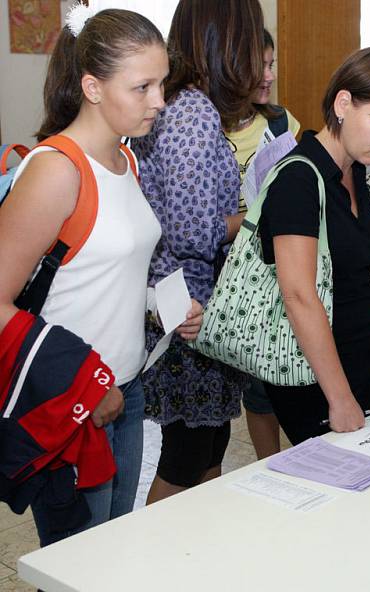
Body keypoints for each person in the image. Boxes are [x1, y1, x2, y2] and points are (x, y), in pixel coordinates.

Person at [0, 7, 200, 545]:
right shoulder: (55, 170)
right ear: (92, 87)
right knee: (76, 562)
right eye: (142, 87)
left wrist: (163, 303)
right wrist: (85, 383)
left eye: (162, 83)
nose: (159, 101)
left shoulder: (127, 161)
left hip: (125, 390)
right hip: (73, 404)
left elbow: (102, 266)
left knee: (111, 551)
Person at [131, 0, 264, 503]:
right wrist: (253, 216)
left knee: (208, 449)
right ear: (229, 42)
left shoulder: (179, 105)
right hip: (187, 310)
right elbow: (191, 232)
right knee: (186, 458)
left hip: (186, 304)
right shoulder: (193, 112)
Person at [259, 47, 370, 445]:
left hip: (358, 357)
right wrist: (339, 396)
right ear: (343, 103)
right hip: (315, 375)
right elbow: (299, 295)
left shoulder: (353, 168)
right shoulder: (299, 179)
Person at [224, 28, 300, 459]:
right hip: (220, 275)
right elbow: (203, 226)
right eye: (260, 66)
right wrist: (251, 217)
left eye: (273, 65)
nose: (269, 75)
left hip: (266, 271)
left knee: (264, 381)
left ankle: (268, 463)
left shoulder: (280, 122)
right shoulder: (204, 126)